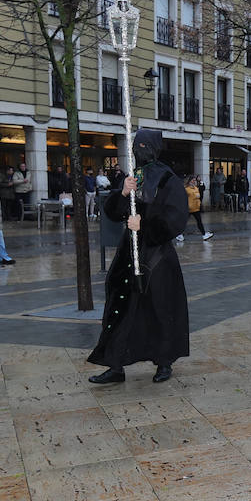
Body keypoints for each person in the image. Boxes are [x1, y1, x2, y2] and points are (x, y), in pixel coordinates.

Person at [87, 129, 189, 385]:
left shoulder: (168, 179)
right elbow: (111, 212)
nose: (140, 149)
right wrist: (122, 193)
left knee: (159, 307)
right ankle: (115, 363)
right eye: (136, 145)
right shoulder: (134, 177)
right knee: (121, 307)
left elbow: (175, 219)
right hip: (128, 253)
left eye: (145, 145)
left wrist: (144, 226)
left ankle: (164, 361)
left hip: (157, 256)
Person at [184, 175, 213, 241]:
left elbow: (200, 194)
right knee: (184, 222)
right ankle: (179, 235)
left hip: (196, 208)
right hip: (189, 208)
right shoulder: (186, 189)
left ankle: (204, 235)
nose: (194, 181)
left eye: (195, 180)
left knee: (199, 222)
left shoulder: (196, 188)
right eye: (193, 180)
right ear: (189, 181)